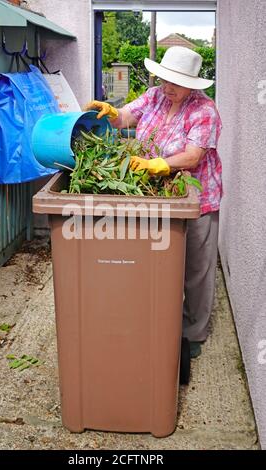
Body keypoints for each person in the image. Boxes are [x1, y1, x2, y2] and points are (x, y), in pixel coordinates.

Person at [85, 46, 222, 358]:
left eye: (175, 82)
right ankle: (158, 318)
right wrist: (109, 112)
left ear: (192, 84)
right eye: (164, 79)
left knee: (197, 269)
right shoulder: (156, 96)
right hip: (155, 195)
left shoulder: (205, 112)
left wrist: (160, 163)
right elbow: (126, 118)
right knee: (161, 261)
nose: (167, 86)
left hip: (196, 197)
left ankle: (193, 333)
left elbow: (193, 155)